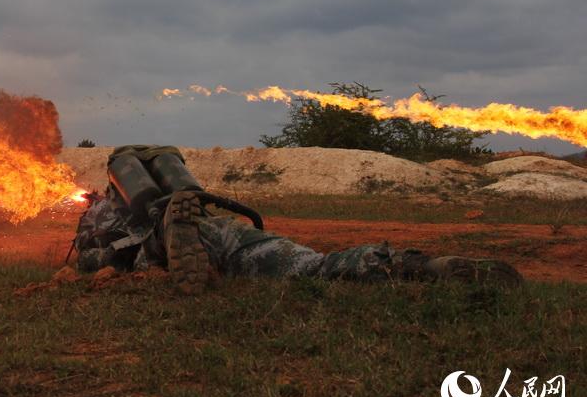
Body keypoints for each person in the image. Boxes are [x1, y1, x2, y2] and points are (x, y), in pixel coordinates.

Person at [72, 145, 522, 294]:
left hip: (154, 247)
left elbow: (94, 262)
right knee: (316, 267)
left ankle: (165, 240)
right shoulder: (191, 200)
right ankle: (421, 267)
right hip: (224, 231)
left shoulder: (101, 213)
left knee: (137, 255)